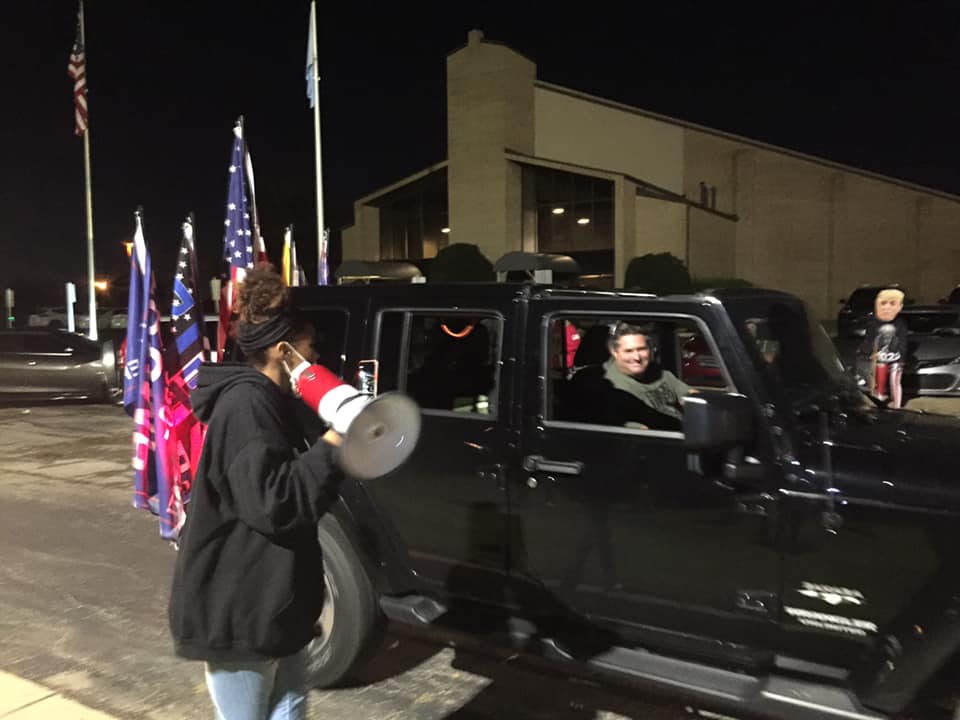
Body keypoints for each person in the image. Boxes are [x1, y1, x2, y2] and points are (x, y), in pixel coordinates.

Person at [168, 264, 342, 720]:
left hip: (275, 612)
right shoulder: (245, 407)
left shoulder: (273, 403)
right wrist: (334, 444)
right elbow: (275, 503)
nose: (316, 355)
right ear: (284, 351)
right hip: (240, 614)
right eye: (310, 347)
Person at [570, 321, 691, 430]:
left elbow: (689, 394)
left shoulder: (657, 372)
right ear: (614, 351)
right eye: (629, 351)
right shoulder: (609, 388)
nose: (637, 357)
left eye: (642, 349)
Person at [857, 287, 908, 408]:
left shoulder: (900, 323)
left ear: (899, 306)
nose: (887, 307)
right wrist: (866, 351)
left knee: (895, 379)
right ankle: (879, 398)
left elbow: (903, 341)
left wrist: (901, 356)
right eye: (883, 303)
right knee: (878, 377)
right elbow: (869, 340)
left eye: (892, 303)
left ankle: (897, 405)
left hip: (896, 357)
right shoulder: (873, 323)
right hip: (879, 358)